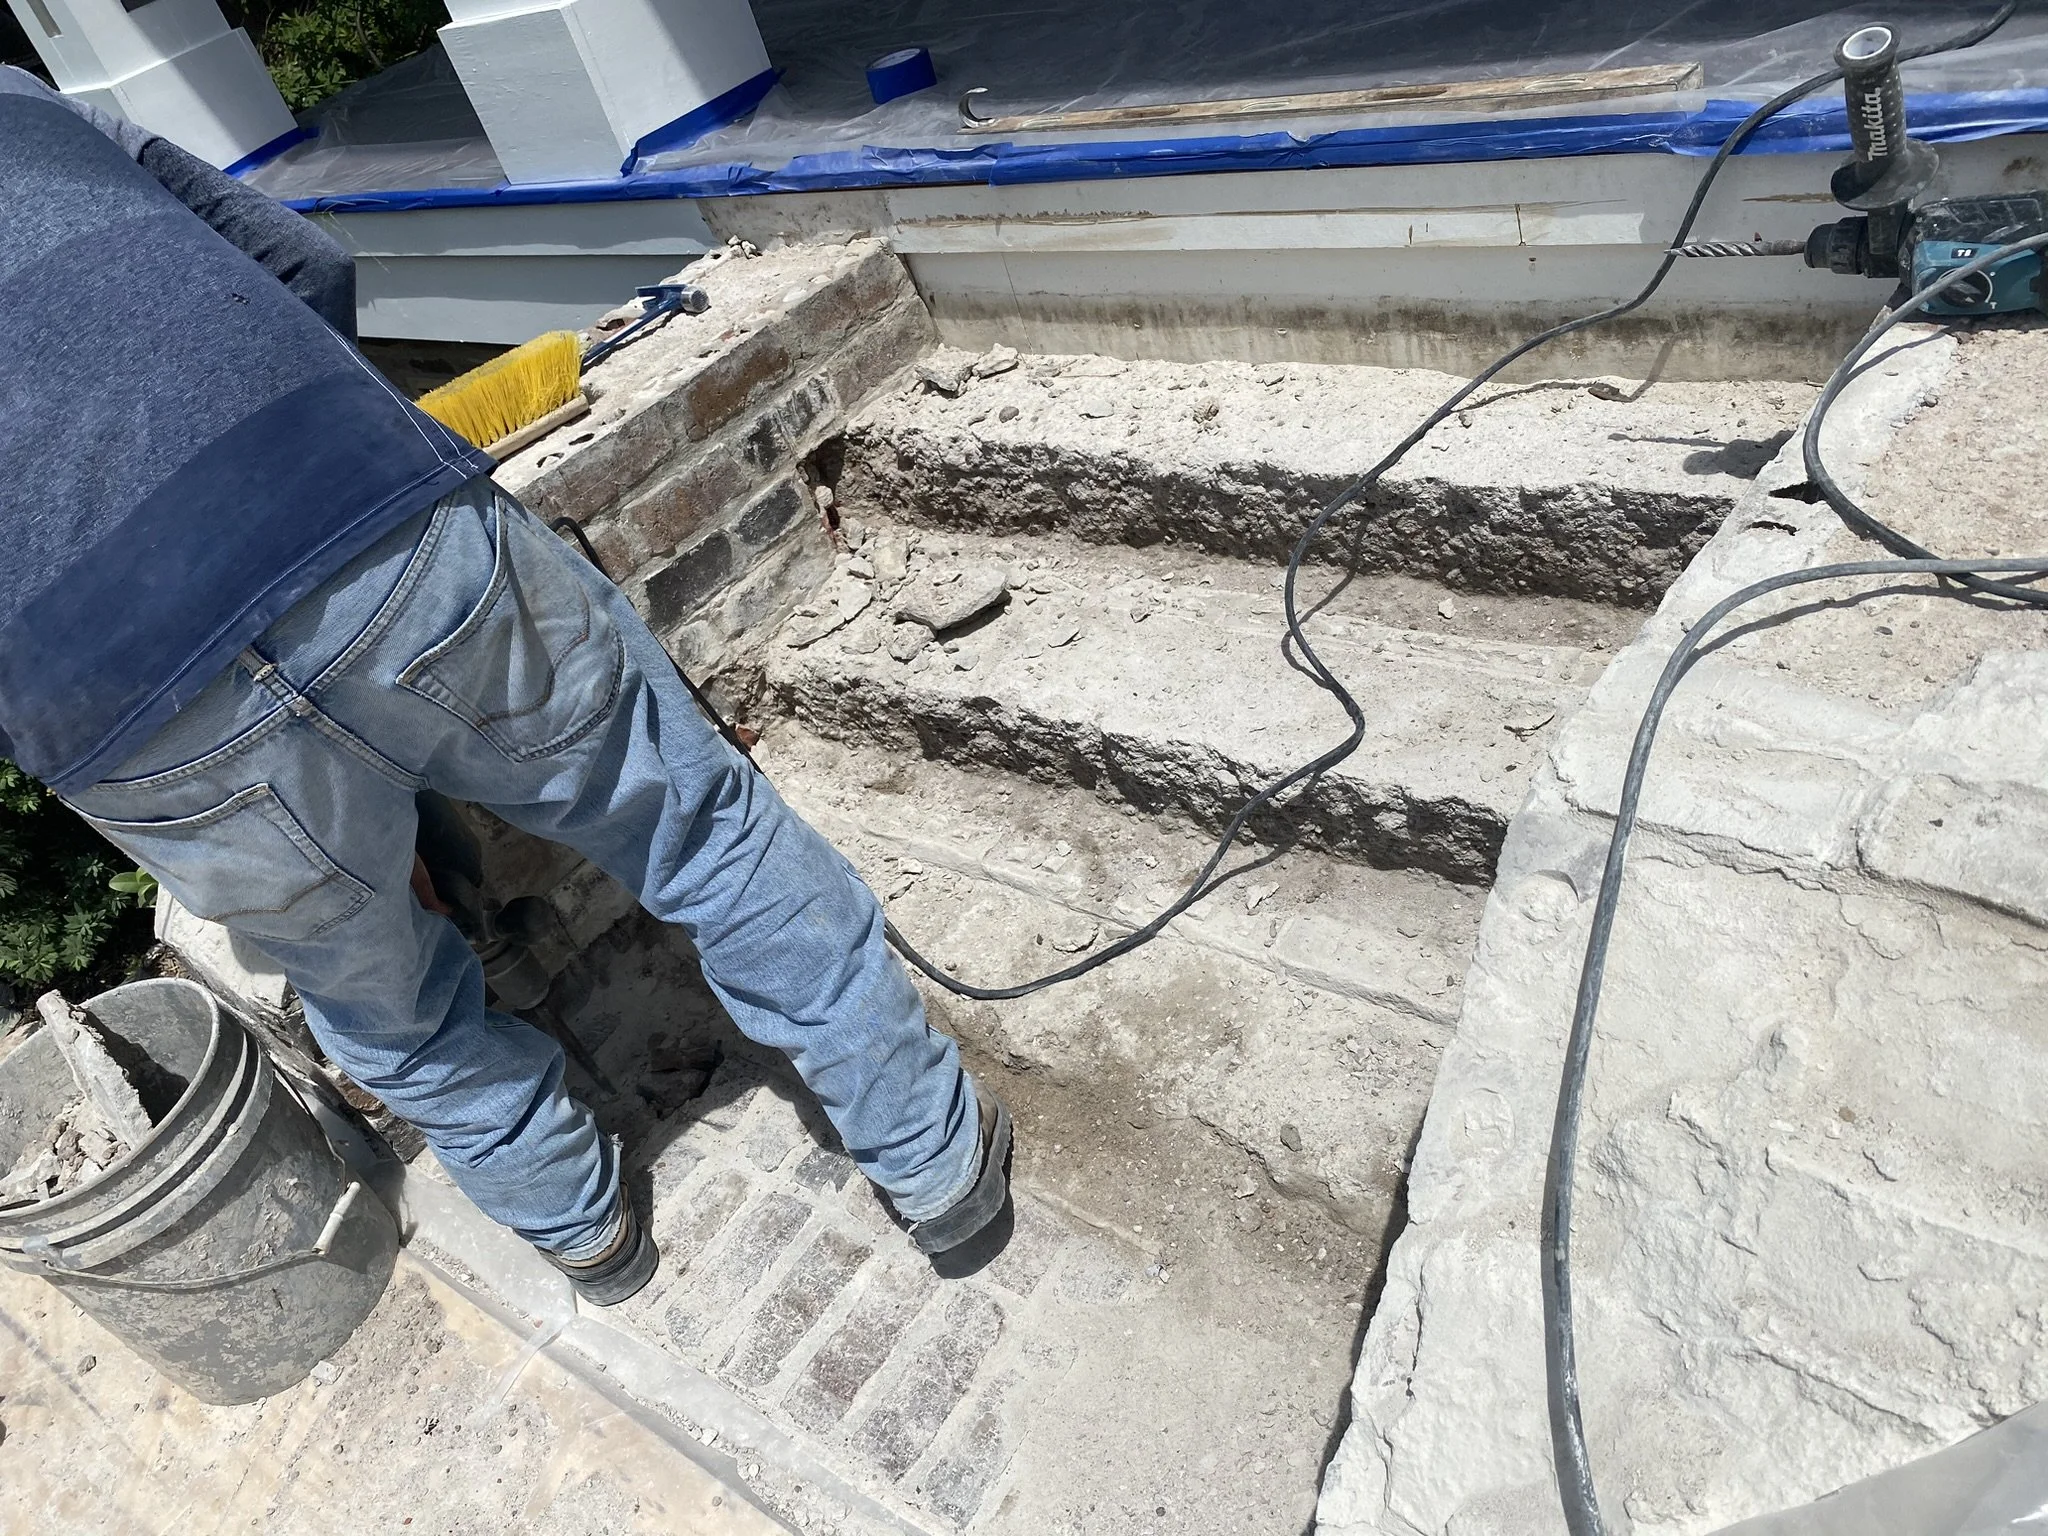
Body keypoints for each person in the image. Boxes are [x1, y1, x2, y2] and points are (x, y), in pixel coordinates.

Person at [0, 66, 1010, 1303]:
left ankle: (591, 1240)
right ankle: (937, 1169)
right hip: (349, 510)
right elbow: (298, 260)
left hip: (115, 709)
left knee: (392, 1013)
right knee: (697, 832)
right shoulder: (16, 96)